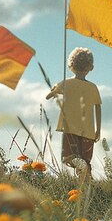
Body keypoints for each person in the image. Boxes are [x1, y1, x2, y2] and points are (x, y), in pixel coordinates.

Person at [46, 47, 101, 179]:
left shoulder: (67, 83)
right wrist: (98, 130)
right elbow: (98, 108)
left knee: (68, 157)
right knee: (86, 162)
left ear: (70, 65)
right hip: (88, 130)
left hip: (70, 128)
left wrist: (55, 89)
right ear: (91, 67)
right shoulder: (93, 87)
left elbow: (48, 96)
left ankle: (79, 165)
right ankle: (87, 186)